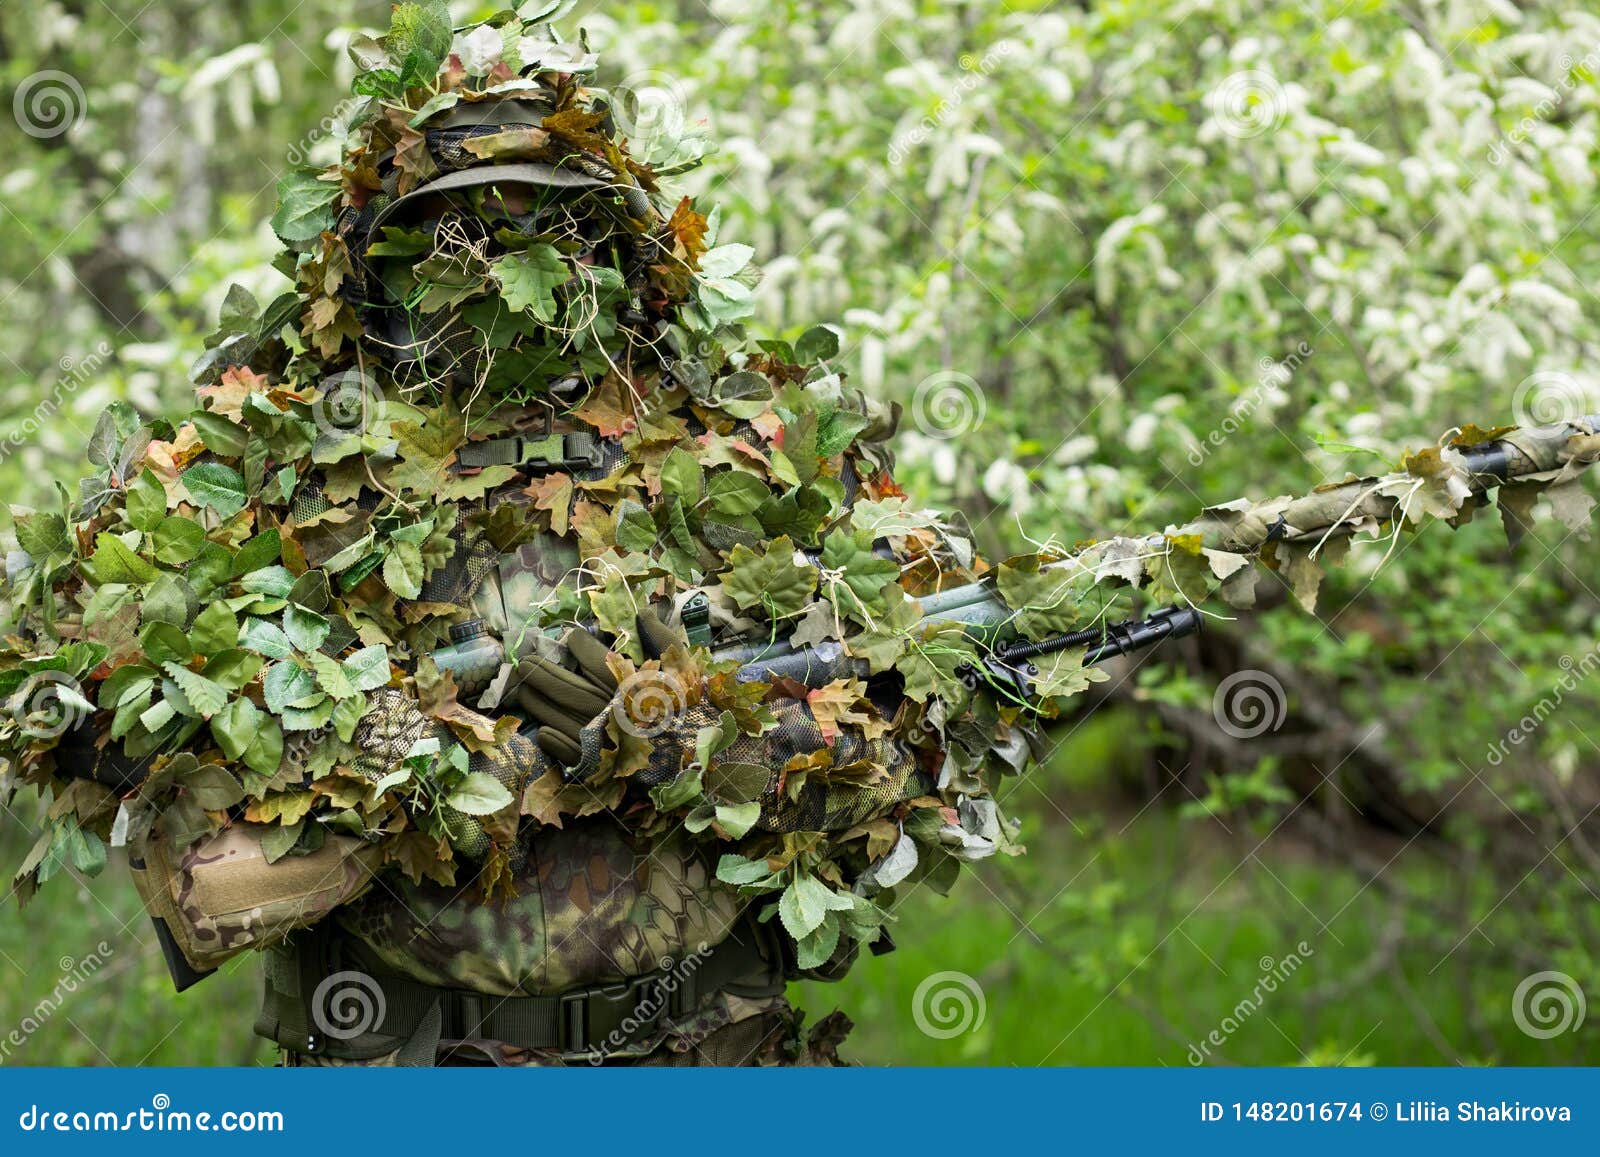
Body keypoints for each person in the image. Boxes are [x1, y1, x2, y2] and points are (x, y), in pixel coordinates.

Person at [2, 5, 1021, 1066]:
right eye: (452, 235)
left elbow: (942, 700)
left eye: (551, 230)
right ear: (367, 267)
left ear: (624, 250)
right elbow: (69, 692)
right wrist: (370, 753)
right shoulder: (281, 467)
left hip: (708, 1055)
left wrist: (721, 745)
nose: (499, 271)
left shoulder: (759, 453)